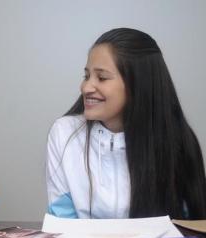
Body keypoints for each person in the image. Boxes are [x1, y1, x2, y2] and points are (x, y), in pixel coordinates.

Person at [46, 28, 206, 219]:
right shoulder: (64, 133)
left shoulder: (178, 140)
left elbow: (187, 230)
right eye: (86, 76)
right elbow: (63, 225)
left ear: (138, 83)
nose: (86, 87)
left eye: (102, 77)